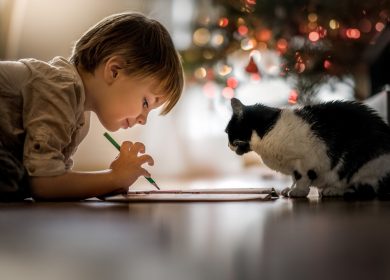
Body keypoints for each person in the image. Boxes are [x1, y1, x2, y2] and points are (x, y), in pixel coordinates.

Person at [0, 12, 184, 201]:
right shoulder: (59, 88)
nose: (143, 120)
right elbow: (44, 183)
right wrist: (113, 177)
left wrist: (111, 182)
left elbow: (58, 181)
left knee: (15, 179)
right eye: (146, 103)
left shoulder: (80, 119)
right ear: (114, 71)